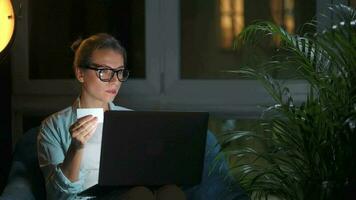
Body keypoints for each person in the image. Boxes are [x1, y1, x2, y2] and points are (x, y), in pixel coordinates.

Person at [37, 33, 247, 200]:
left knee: (170, 191)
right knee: (139, 195)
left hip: (135, 193)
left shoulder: (131, 121)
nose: (114, 81)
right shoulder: (53, 127)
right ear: (80, 73)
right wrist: (76, 148)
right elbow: (58, 196)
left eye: (120, 72)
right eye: (104, 72)